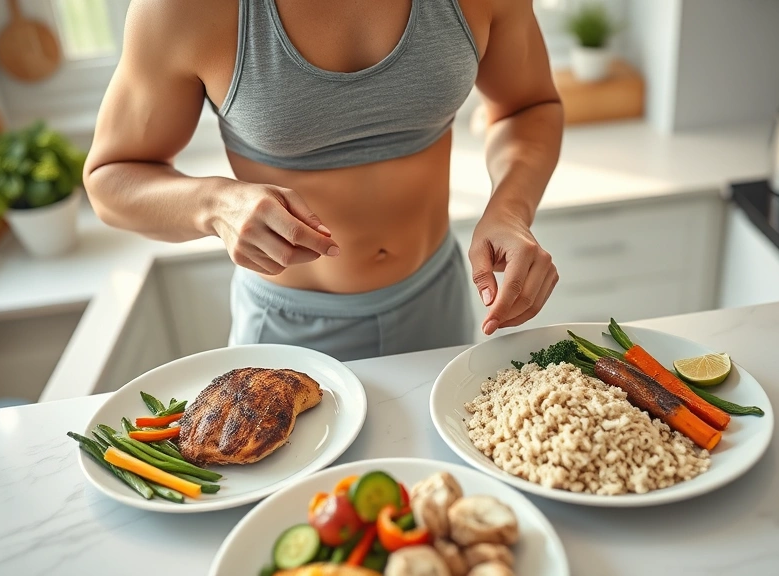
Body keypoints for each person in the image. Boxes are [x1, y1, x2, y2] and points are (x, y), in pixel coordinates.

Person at [84, 0, 563, 361]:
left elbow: (530, 106)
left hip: (438, 302)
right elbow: (110, 179)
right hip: (289, 334)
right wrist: (214, 203)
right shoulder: (183, 10)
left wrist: (511, 211)